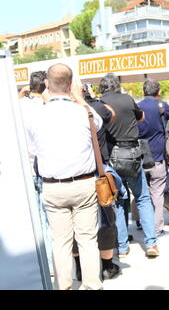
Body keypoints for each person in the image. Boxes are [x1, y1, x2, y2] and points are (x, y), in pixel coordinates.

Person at [27, 64, 103, 290]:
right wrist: (79, 98)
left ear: (47, 85)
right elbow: (98, 126)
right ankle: (91, 285)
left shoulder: (35, 115)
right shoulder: (84, 112)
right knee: (88, 239)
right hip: (84, 183)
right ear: (71, 86)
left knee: (60, 242)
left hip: (53, 187)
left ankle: (64, 286)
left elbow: (33, 151)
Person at [100, 74, 159, 259]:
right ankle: (151, 244)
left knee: (118, 201)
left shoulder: (100, 103)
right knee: (142, 198)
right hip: (133, 155)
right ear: (117, 86)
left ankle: (123, 247)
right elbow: (141, 118)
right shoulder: (127, 99)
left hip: (113, 158)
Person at [71, 80, 122, 281]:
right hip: (97, 172)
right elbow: (111, 114)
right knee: (106, 219)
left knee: (76, 228)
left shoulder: (60, 112)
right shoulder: (92, 109)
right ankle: (107, 266)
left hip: (69, 177)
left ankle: (80, 269)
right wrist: (85, 98)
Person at [137, 78, 169, 235]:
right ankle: (157, 228)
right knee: (157, 193)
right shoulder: (161, 106)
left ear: (144, 91)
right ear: (159, 91)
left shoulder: (137, 107)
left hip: (140, 157)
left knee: (140, 190)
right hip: (157, 157)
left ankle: (139, 221)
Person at [19, 71, 53, 274]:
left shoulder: (19, 106)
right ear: (46, 86)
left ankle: (41, 262)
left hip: (25, 167)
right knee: (48, 217)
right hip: (46, 167)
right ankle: (49, 262)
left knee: (35, 218)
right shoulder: (46, 106)